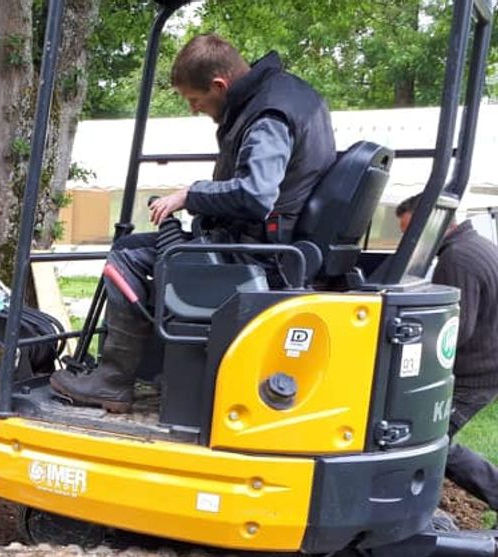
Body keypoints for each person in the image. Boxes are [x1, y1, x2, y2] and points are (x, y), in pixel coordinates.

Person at [51, 34, 336, 412]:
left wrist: (190, 195)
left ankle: (113, 380)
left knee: (125, 256)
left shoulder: (267, 115)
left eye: (195, 100)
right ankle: (135, 368)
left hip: (258, 256)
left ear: (220, 85)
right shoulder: (288, 95)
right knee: (140, 250)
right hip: (268, 244)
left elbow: (256, 195)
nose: (194, 109)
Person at [396, 194, 498, 509]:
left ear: (435, 222)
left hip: (475, 375)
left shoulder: (456, 259)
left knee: (429, 440)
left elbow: (455, 332)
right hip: (487, 364)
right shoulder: (478, 246)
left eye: (410, 232)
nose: (410, 241)